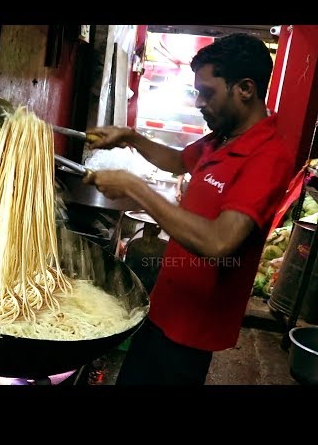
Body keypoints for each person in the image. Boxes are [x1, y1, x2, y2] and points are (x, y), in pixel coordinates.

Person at [84, 33, 295, 385]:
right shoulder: (222, 137)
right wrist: (129, 137)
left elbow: (219, 243)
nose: (199, 103)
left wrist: (136, 187)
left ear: (245, 89)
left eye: (208, 93)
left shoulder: (268, 157)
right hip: (164, 306)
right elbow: (177, 160)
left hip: (192, 328)